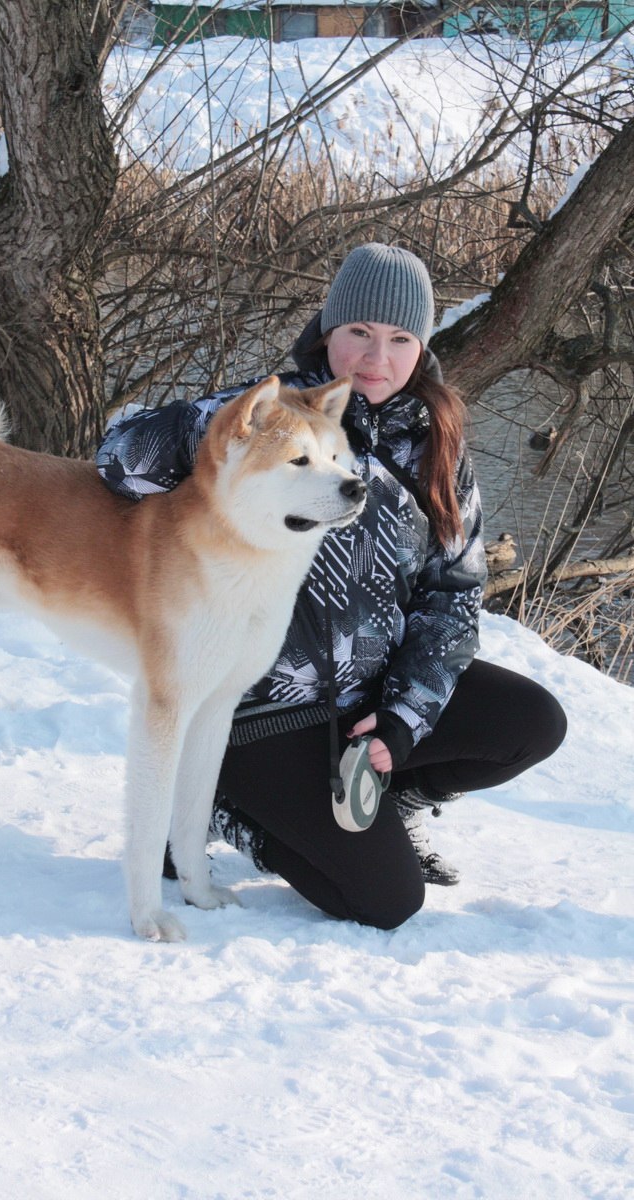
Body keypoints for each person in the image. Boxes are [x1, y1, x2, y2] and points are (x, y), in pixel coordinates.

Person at [96, 244, 567, 930]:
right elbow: (115, 461)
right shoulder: (268, 418)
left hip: (365, 694)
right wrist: (229, 427)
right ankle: (238, 811)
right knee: (385, 903)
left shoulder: (436, 442)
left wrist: (406, 717)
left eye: (400, 339)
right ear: (328, 330)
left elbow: (453, 593)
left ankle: (385, 795)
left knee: (531, 722)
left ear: (422, 345)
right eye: (359, 334)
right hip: (261, 711)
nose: (377, 358)